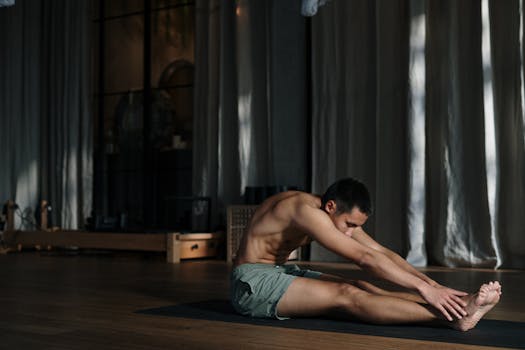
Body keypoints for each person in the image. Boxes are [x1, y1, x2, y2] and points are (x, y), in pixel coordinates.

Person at [231, 178, 501, 331]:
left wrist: (433, 286)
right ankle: (455, 317)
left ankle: (457, 305)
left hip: (279, 272)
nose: (351, 233)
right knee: (347, 296)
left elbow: (379, 251)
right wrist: (422, 288)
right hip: (251, 285)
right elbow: (364, 259)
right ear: (331, 206)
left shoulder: (328, 211)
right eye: (350, 225)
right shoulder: (302, 211)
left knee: (359, 285)